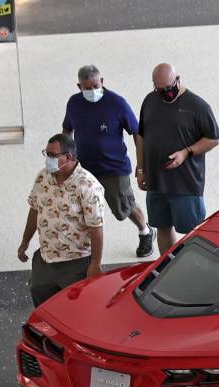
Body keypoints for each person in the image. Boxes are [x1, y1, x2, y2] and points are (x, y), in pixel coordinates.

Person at [62, 65, 155, 258]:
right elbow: (67, 130)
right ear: (79, 86)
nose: (91, 91)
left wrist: (141, 164)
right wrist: (67, 156)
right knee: (81, 208)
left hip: (114, 167)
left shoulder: (117, 103)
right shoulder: (74, 104)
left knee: (123, 207)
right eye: (86, 88)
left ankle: (145, 230)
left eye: (95, 85)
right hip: (84, 167)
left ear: (102, 82)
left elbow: (137, 133)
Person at [135, 63, 219, 255]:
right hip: (156, 182)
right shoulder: (150, 101)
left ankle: (195, 270)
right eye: (159, 89)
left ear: (178, 79)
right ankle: (166, 267)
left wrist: (187, 152)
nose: (165, 93)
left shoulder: (198, 106)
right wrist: (141, 169)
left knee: (193, 233)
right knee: (162, 227)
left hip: (185, 185)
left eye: (168, 88)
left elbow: (213, 139)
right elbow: (141, 135)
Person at [18, 133, 106, 306]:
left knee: (76, 309)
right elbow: (35, 210)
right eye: (46, 154)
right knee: (43, 305)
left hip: (75, 262)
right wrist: (25, 242)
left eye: (52, 155)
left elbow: (96, 227)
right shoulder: (43, 177)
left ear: (68, 157)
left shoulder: (88, 185)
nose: (48, 159)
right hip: (46, 259)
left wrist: (95, 263)